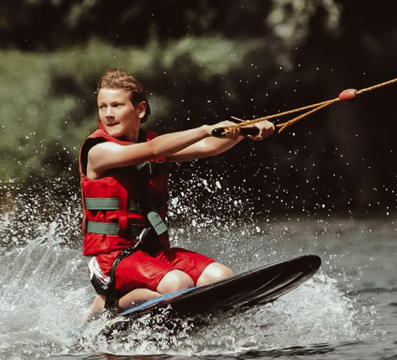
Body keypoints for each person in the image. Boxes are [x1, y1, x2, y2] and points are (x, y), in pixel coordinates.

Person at [80, 69, 275, 320]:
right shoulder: (99, 151)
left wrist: (245, 131)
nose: (108, 114)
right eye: (102, 106)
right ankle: (106, 307)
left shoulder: (151, 143)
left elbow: (207, 147)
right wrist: (206, 128)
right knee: (179, 285)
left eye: (116, 105)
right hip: (113, 260)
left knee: (220, 278)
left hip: (151, 253)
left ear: (140, 109)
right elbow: (152, 150)